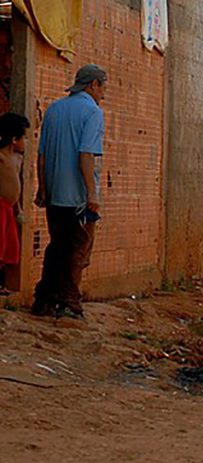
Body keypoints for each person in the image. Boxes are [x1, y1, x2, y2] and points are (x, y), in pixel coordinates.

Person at [32, 64, 107, 319]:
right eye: (102, 87)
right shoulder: (93, 112)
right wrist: (92, 193)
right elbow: (85, 154)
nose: (103, 93)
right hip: (77, 196)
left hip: (54, 193)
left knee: (57, 246)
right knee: (77, 249)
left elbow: (41, 155)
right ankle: (69, 303)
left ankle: (44, 300)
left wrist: (43, 187)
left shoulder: (54, 110)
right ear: (92, 85)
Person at [0, 113, 29, 295]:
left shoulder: (17, 159)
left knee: (8, 246)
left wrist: (18, 210)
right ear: (14, 139)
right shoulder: (1, 158)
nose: (26, 141)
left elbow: (16, 185)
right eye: (24, 137)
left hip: (9, 209)